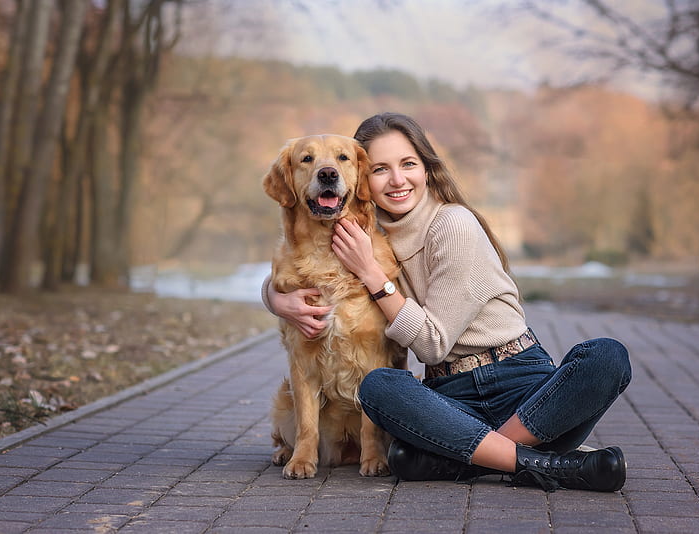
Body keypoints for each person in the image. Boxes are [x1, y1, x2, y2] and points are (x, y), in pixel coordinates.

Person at [263, 112, 632, 492]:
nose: (397, 180)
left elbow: (432, 345)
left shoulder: (452, 224)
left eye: (408, 164)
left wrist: (372, 274)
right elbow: (306, 264)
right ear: (362, 180)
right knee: (379, 388)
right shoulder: (371, 233)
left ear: (426, 168)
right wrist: (276, 298)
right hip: (450, 396)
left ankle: (486, 456)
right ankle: (538, 461)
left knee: (607, 356)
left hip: (520, 384)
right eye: (380, 169)